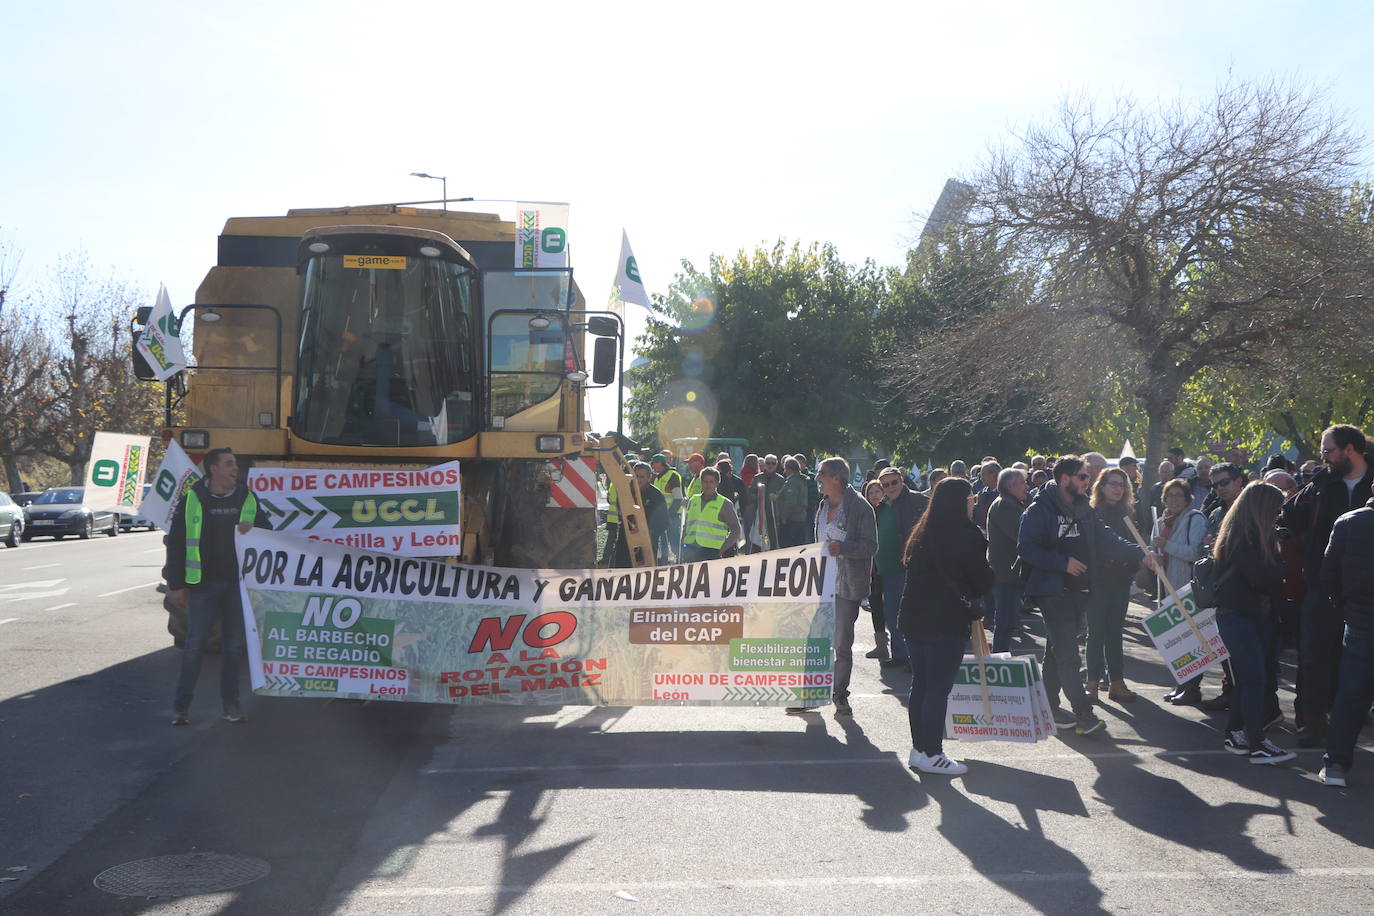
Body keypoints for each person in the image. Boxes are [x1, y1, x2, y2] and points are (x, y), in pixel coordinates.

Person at [1018, 455, 1145, 735]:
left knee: (1055, 652)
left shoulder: (1084, 510)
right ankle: (1083, 714)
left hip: (1079, 591)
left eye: (1088, 477)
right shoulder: (1040, 509)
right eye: (1083, 477)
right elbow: (1026, 548)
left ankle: (1048, 706)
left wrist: (1142, 554)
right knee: (1068, 654)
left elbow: (1108, 538)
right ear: (1065, 479)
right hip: (1051, 591)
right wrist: (1062, 563)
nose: (1089, 481)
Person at [1279, 424, 1374, 747]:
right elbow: (1286, 520)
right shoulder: (1320, 485)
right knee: (1314, 656)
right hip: (1321, 589)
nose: (1324, 459)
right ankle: (1312, 722)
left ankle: (1352, 722)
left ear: (1350, 450)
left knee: (1359, 661)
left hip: (1366, 593)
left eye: (1327, 451)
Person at [165, 448, 270, 726]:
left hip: (236, 585)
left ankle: (230, 707)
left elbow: (268, 532)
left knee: (233, 648)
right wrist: (176, 585)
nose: (235, 469)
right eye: (229, 464)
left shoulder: (246, 497)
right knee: (194, 647)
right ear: (213, 469)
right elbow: (175, 543)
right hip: (201, 587)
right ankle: (181, 709)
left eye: (235, 464)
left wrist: (255, 528)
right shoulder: (192, 500)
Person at [899, 476, 994, 776]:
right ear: (961, 501)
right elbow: (982, 580)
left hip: (914, 617)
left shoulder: (921, 531)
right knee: (938, 689)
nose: (974, 503)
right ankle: (932, 752)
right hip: (945, 620)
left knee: (922, 685)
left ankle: (920, 750)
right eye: (971, 498)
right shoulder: (967, 535)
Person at [786, 457, 876, 718]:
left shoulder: (860, 507)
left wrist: (843, 548)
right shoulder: (823, 505)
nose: (817, 478)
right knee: (814, 641)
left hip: (847, 585)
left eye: (822, 474)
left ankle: (840, 694)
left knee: (841, 643)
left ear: (837, 478)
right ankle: (810, 694)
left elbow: (871, 546)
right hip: (821, 583)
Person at [1213, 482, 1295, 764]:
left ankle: (1236, 731)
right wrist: (1281, 569)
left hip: (1246, 614)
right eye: (1276, 508)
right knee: (1253, 678)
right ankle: (1257, 741)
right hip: (1239, 615)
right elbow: (1263, 578)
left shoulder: (1242, 534)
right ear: (1263, 509)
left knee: (1249, 678)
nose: (1280, 513)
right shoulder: (1245, 538)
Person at [1319, 488, 1374, 786]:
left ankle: (1336, 763)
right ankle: (1335, 763)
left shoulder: (1348, 522)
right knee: (1352, 694)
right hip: (1359, 617)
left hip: (1359, 620)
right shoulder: (1349, 522)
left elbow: (1328, 574)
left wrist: (1344, 607)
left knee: (1351, 695)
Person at [1149, 478, 1209, 705]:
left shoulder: (1195, 518)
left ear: (1187, 499)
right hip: (1165, 586)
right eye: (1169, 495)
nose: (1173, 500)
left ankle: (1192, 688)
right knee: (1174, 638)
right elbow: (1154, 546)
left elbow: (1195, 552)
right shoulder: (1162, 520)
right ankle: (1181, 683)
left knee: (1192, 639)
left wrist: (1166, 546)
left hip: (1187, 586)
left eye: (1178, 495)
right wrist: (1152, 554)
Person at [1085, 468, 1143, 703]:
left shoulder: (1127, 513)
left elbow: (1134, 546)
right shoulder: (1092, 513)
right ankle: (1092, 683)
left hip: (1119, 582)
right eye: (1113, 484)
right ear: (1102, 486)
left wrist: (1132, 566)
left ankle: (1116, 682)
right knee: (1095, 633)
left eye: (1122, 484)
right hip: (1097, 582)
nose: (1118, 488)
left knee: (1114, 633)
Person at [875, 466, 930, 670]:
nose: (890, 487)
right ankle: (900, 654)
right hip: (890, 569)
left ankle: (917, 658)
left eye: (894, 482)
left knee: (914, 615)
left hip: (913, 567)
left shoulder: (918, 500)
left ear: (902, 480)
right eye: (885, 484)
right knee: (892, 614)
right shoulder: (883, 505)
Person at [985, 467, 1030, 652]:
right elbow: (1022, 534)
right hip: (1005, 574)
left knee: (1007, 622)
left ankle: (1000, 659)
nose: (1026, 486)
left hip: (1009, 573)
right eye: (1022, 483)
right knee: (1004, 623)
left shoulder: (1011, 503)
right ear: (1010, 486)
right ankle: (998, 662)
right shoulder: (1005, 505)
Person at [612, 462, 671, 567]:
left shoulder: (656, 495)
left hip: (647, 542)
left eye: (642, 477)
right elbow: (620, 510)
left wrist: (650, 533)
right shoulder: (626, 492)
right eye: (636, 476)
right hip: (625, 539)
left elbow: (664, 522)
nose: (638, 479)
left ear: (649, 477)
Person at [680, 467, 742, 562]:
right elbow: (686, 525)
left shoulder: (725, 503)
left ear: (717, 483)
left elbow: (736, 529)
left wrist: (723, 548)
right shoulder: (693, 500)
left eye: (711, 482)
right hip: (690, 548)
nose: (707, 485)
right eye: (705, 482)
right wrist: (682, 543)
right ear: (701, 482)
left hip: (711, 551)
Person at [863, 479, 891, 660]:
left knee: (891, 605)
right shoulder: (864, 511)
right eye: (871, 492)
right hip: (870, 567)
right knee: (875, 604)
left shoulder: (888, 510)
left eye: (877, 491)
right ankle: (881, 646)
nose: (874, 495)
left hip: (887, 564)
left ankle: (899, 646)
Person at [775, 457, 812, 548]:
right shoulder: (801, 480)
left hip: (791, 520)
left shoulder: (793, 482)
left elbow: (790, 502)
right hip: (800, 518)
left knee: (787, 547)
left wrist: (784, 517)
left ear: (788, 468)